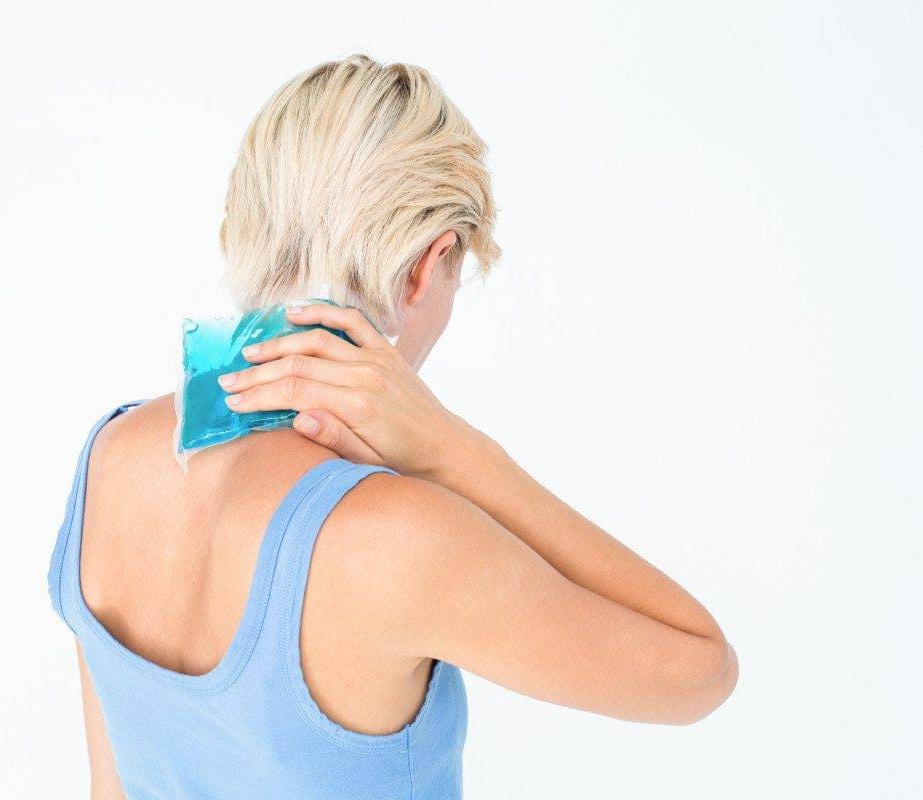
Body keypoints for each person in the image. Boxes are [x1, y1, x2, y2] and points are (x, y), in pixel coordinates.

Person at [48, 54, 738, 800]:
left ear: (241, 218)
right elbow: (701, 669)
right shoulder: (397, 537)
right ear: (427, 262)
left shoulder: (112, 456)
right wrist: (456, 453)